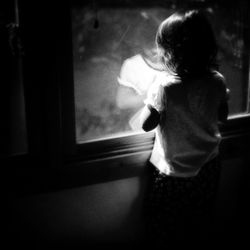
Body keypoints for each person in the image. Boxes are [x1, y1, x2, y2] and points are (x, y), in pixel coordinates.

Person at [140, 9, 230, 245]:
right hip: (209, 165)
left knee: (164, 222)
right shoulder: (217, 80)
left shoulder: (165, 87)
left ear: (170, 52)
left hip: (175, 173)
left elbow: (146, 125)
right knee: (198, 219)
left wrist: (149, 96)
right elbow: (223, 117)